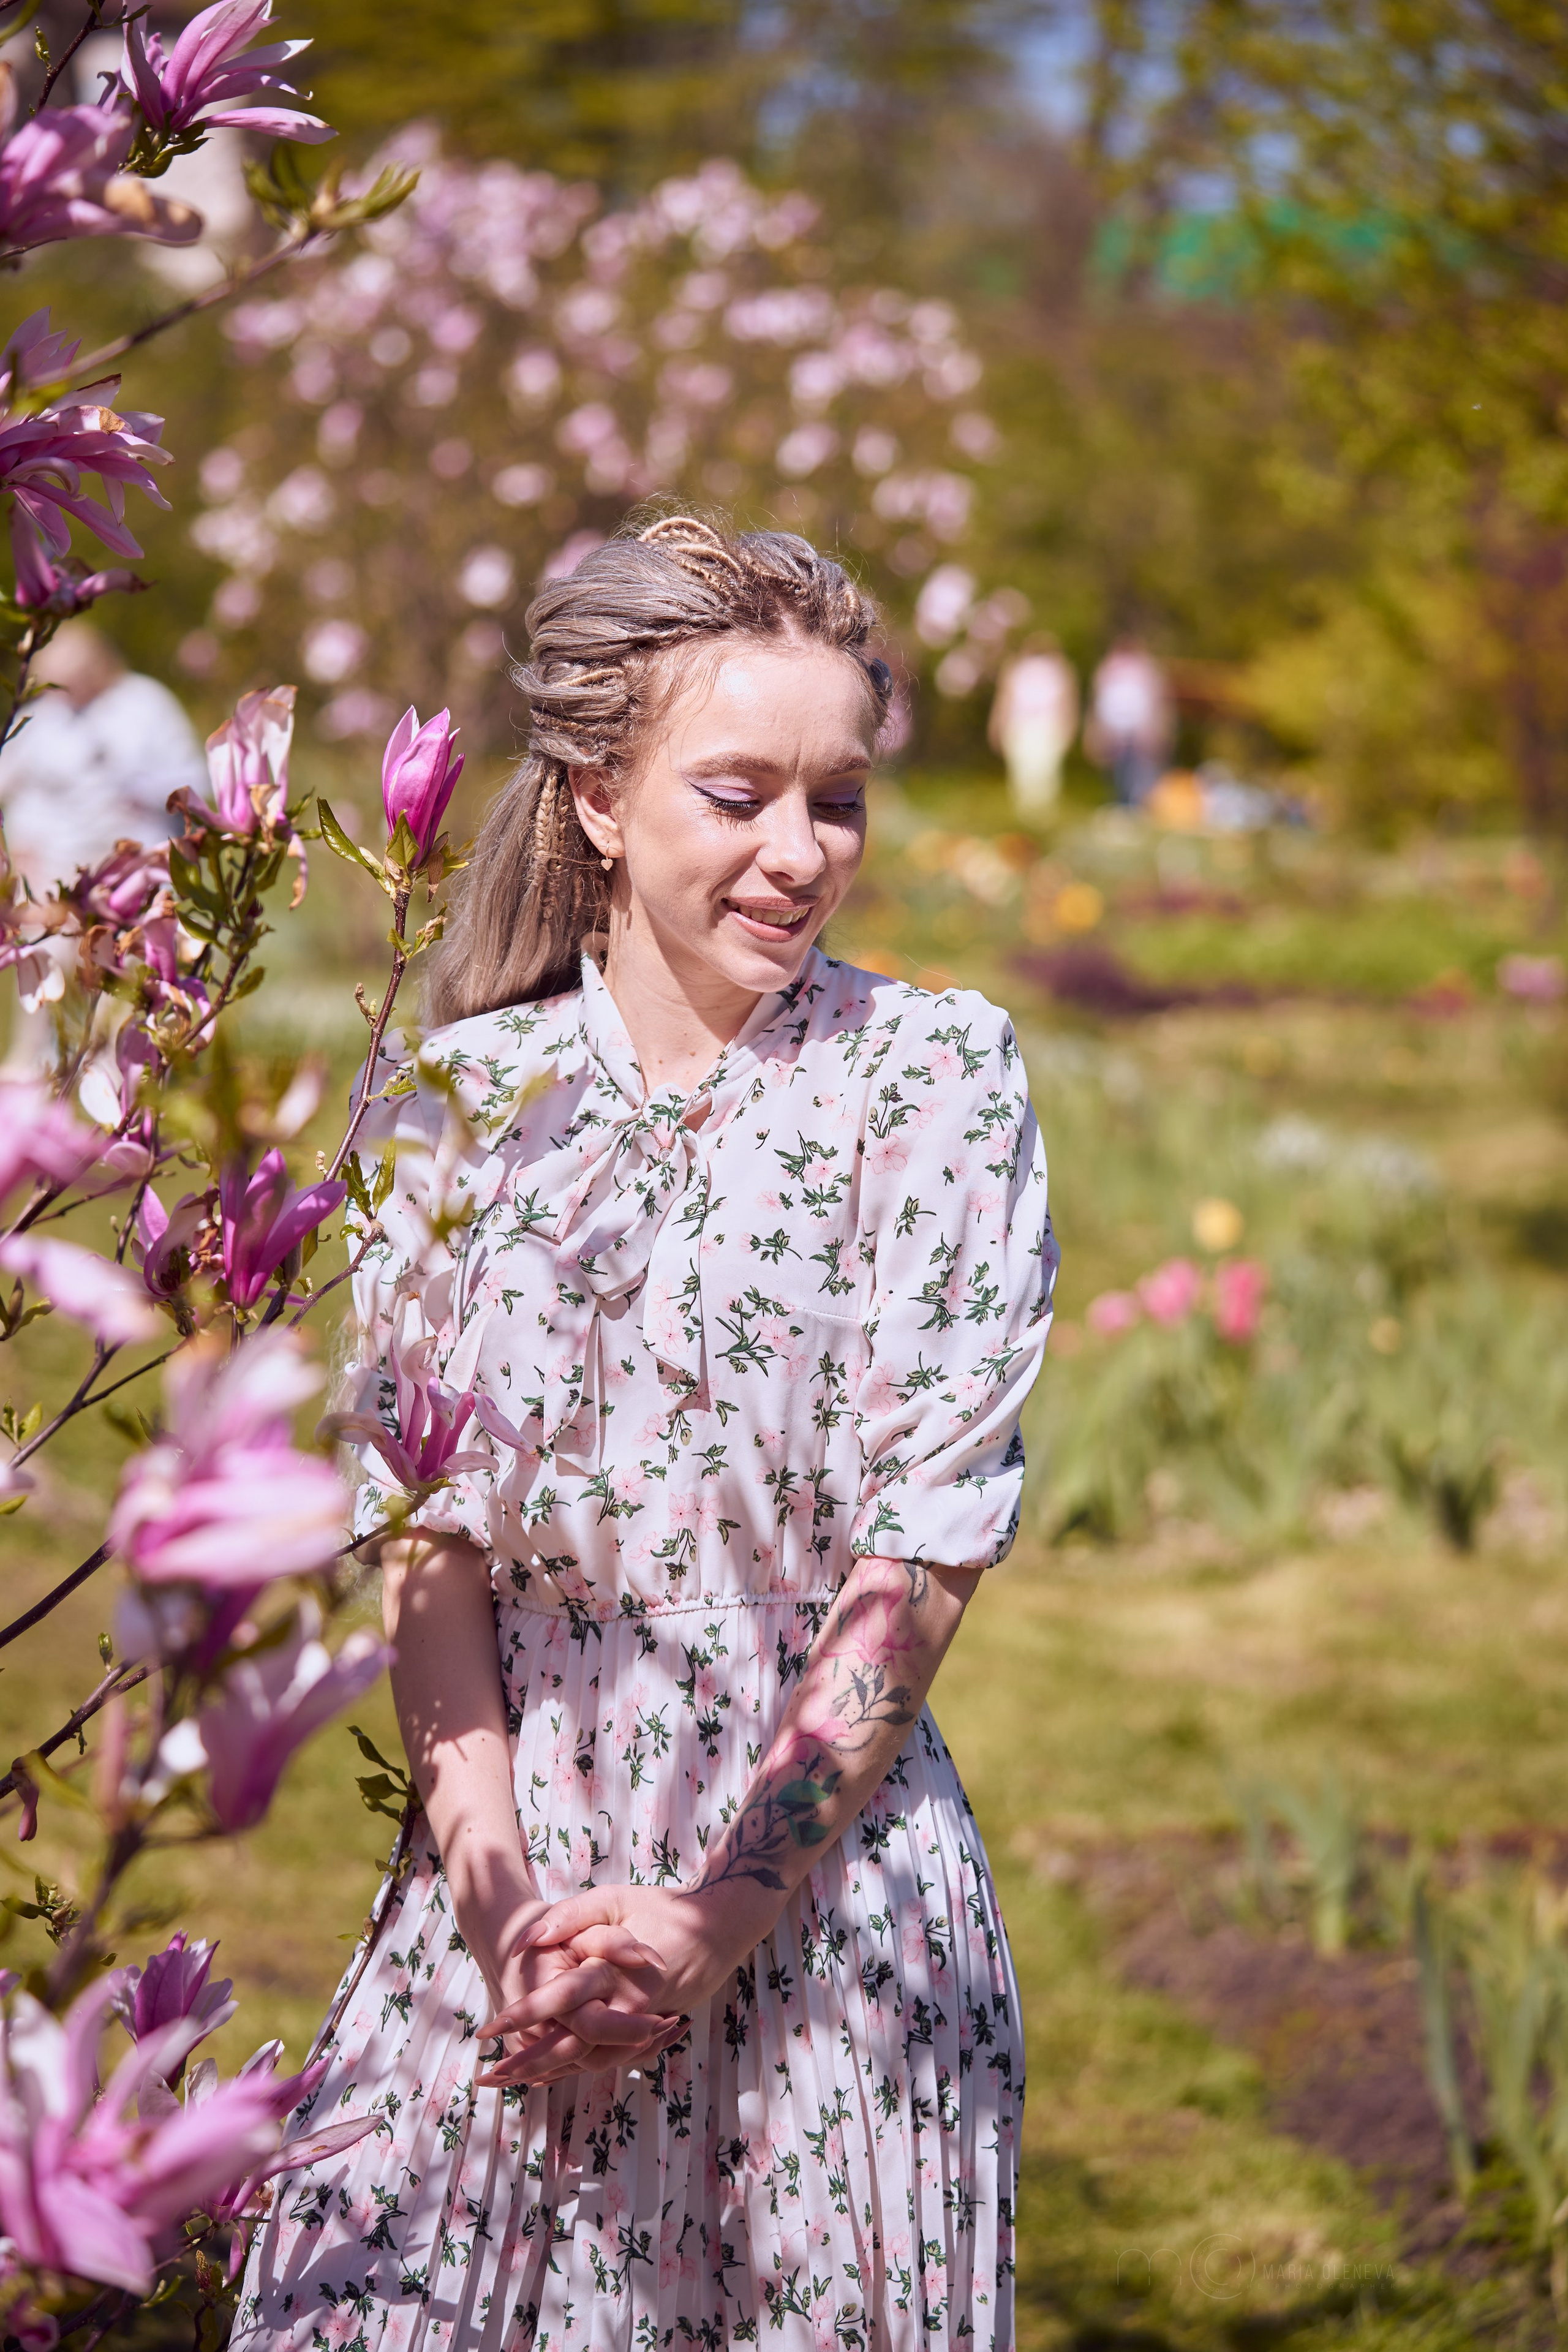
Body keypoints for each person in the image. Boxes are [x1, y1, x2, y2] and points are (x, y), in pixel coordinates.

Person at [235, 516, 1058, 2352]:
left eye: (836, 799)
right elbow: (426, 1548)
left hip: (826, 1901)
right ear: (600, 798)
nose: (800, 850)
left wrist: (710, 1915)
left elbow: (916, 1561)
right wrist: (506, 1892)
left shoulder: (931, 1080)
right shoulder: (454, 1104)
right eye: (740, 791)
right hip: (508, 1880)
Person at [0, 622, 207, 1070]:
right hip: (59, 863)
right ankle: (33, 1061)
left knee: (128, 961)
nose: (65, 693)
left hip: (133, 860)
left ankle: (118, 1065)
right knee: (44, 952)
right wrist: (24, 849)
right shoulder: (41, 718)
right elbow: (15, 793)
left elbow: (193, 783)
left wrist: (141, 788)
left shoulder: (146, 704)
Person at [988, 634, 1078, 818]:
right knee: (1025, 775)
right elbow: (1005, 701)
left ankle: (1041, 820)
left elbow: (1067, 703)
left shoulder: (1059, 670)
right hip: (1023, 727)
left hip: (1047, 728)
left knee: (1044, 776)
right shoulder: (1017, 669)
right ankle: (1027, 820)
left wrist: (1069, 727)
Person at [1087, 636, 1172, 808]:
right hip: (1116, 732)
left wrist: (1157, 731)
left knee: (1140, 775)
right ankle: (1123, 805)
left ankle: (1137, 808)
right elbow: (1099, 701)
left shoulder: (1145, 669)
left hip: (1139, 732)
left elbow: (1156, 702)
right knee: (1119, 774)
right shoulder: (1109, 668)